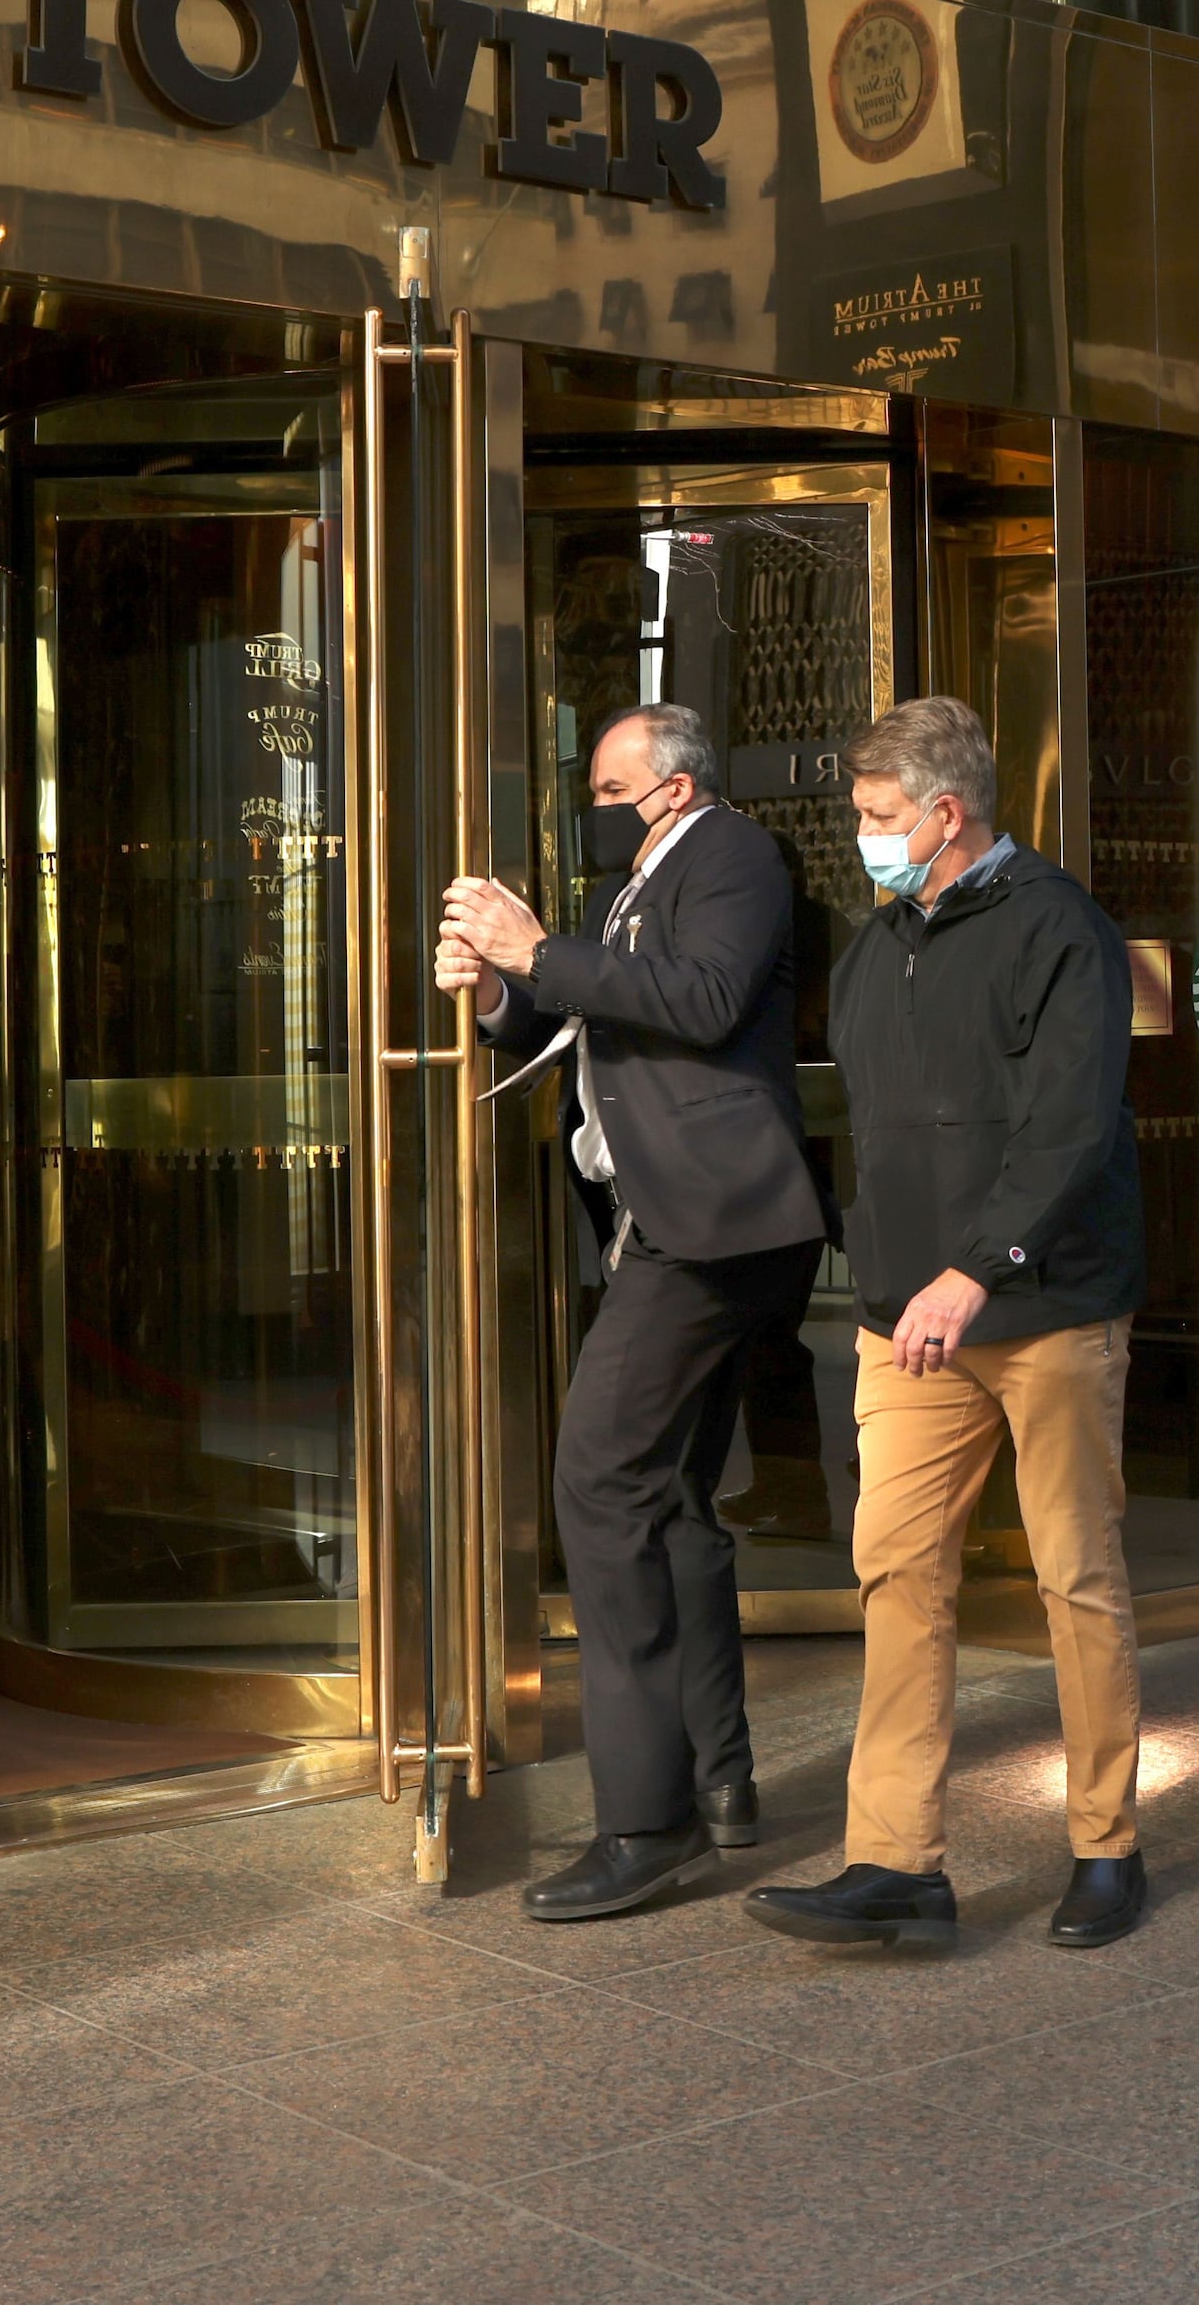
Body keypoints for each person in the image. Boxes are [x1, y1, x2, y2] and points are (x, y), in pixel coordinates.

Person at [743, 695, 1151, 1953]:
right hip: (904, 1323)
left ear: (944, 812)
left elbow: (1069, 1125)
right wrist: (879, 1265)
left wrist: (977, 1267)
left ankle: (1104, 1845)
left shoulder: (1056, 928)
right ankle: (895, 1862)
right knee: (895, 1576)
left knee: (1073, 1576)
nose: (862, 836)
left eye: (876, 815)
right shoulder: (876, 947)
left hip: (1042, 1310)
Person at [435, 702, 833, 1923]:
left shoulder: (732, 854)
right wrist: (507, 986)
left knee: (599, 1480)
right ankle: (719, 1781)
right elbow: (588, 1014)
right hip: (672, 1218)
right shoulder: (647, 873)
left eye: (606, 786)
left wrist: (536, 941)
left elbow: (704, 997)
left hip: (713, 1226)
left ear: (666, 786)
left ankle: (642, 1821)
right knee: (667, 1500)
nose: (590, 803)